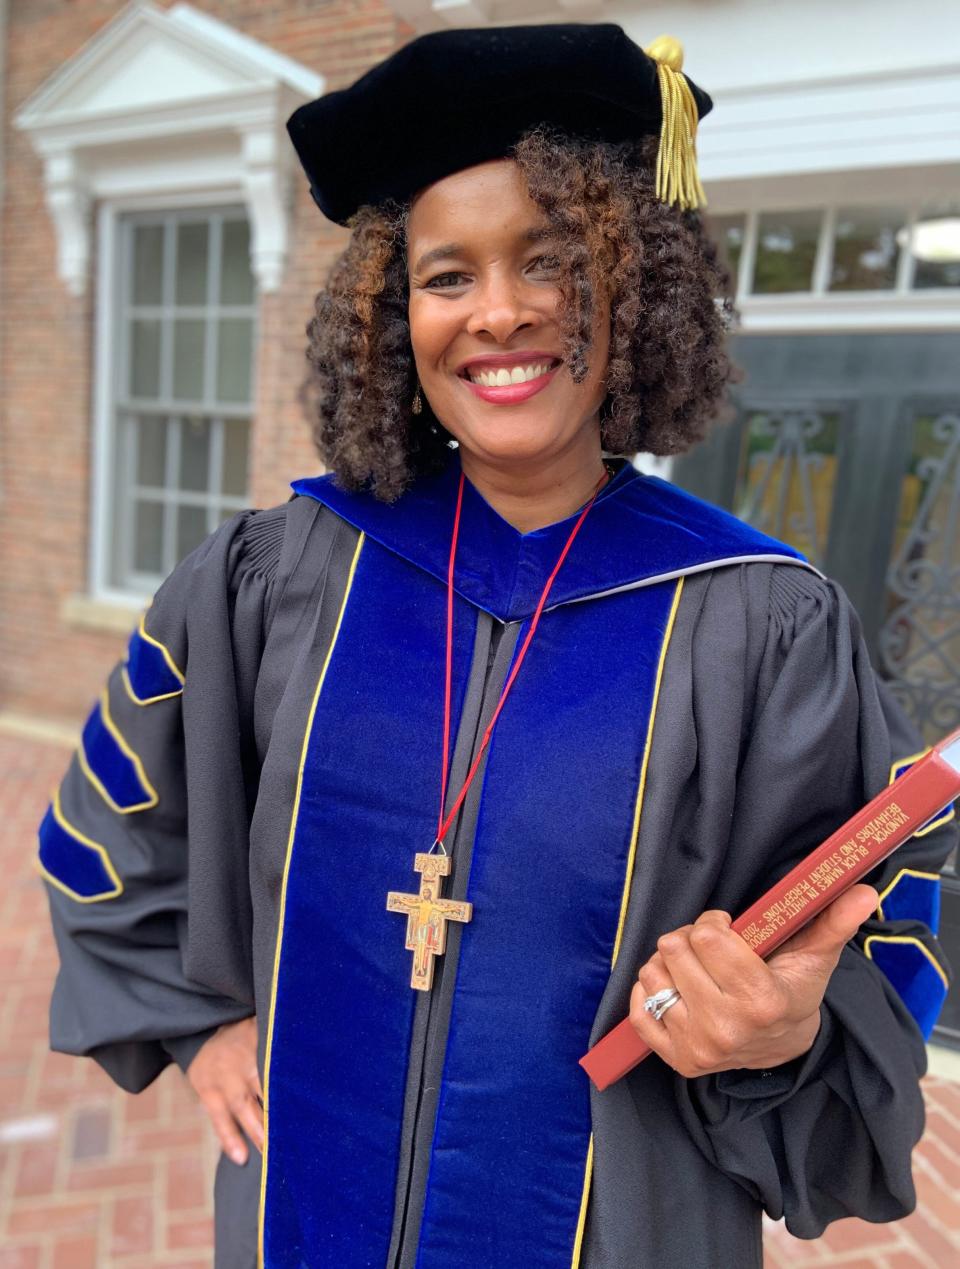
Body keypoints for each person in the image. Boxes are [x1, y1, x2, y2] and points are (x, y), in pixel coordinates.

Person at [38, 23, 955, 1269]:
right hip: (303, 1202)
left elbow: (888, 920)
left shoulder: (758, 620)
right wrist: (200, 1024)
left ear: (632, 288)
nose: (501, 313)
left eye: (552, 260)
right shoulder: (282, 575)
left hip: (617, 1214)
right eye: (447, 275)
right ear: (392, 314)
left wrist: (782, 1029)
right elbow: (112, 819)